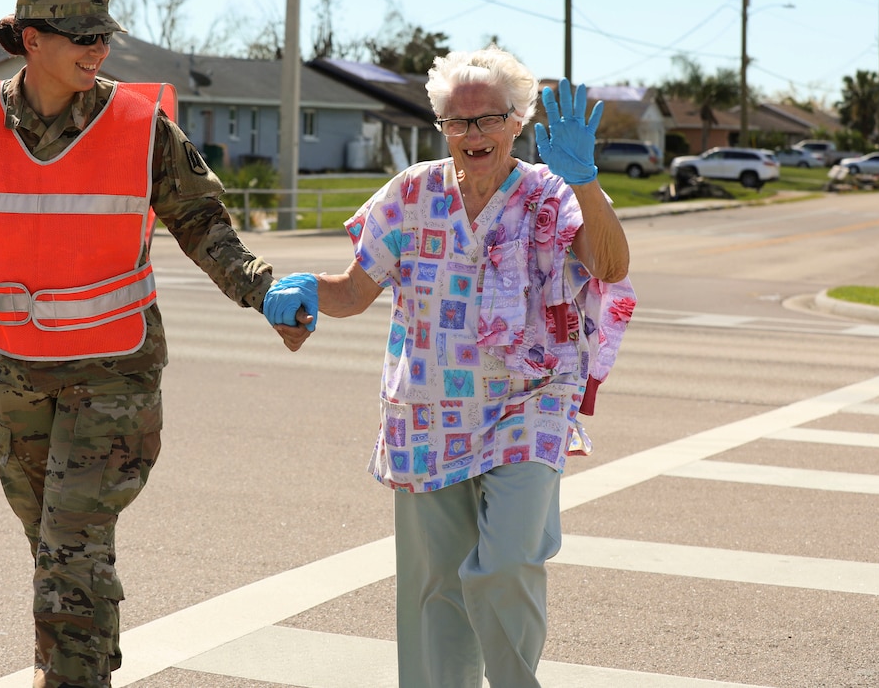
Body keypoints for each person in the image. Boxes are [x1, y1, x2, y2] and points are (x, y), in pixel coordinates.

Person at [0, 0, 305, 688]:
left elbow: (204, 226)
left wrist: (264, 290)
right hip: (13, 374)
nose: (98, 51)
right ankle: (74, 658)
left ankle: (71, 675)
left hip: (113, 373)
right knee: (53, 546)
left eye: (103, 38)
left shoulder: (140, 126)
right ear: (33, 40)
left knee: (71, 546)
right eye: (83, 38)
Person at [263, 46, 636, 688]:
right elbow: (355, 291)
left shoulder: (550, 195)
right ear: (442, 126)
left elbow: (610, 266)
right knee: (436, 590)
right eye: (458, 122)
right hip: (430, 407)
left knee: (506, 563)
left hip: (532, 399)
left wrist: (586, 180)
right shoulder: (410, 193)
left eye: (490, 118)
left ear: (517, 122)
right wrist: (301, 288)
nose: (474, 134)